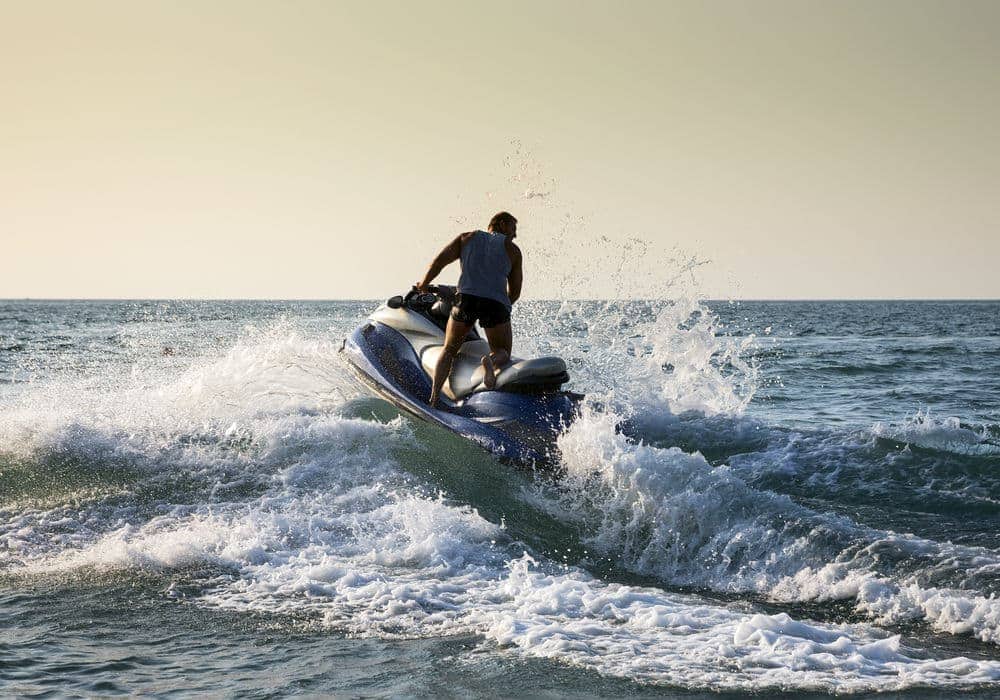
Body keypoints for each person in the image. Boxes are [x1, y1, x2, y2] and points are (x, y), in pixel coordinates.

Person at [416, 211, 523, 407]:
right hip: (495, 304)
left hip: (465, 300)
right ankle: (490, 362)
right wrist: (501, 309)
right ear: (501, 224)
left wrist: (424, 284)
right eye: (513, 229)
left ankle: (433, 399)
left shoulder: (467, 238)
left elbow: (439, 262)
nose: (514, 235)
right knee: (503, 352)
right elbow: (515, 292)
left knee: (449, 350)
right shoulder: (513, 251)